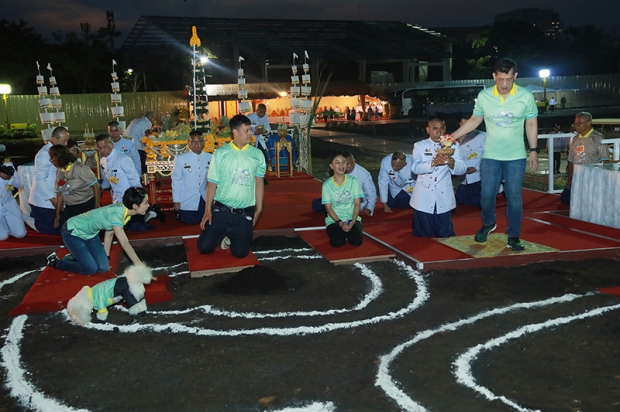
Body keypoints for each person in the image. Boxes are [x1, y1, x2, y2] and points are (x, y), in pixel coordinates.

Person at [450, 58, 539, 251]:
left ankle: (514, 235)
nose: (505, 84)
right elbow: (474, 120)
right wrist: (452, 137)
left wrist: (533, 150)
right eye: (500, 79)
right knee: (487, 195)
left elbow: (531, 123)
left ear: (515, 76)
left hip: (515, 155)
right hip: (491, 155)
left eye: (509, 79)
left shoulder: (525, 96)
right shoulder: (484, 96)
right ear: (494, 76)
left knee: (514, 195)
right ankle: (488, 223)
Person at [198, 114, 266, 258]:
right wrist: (208, 210)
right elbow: (212, 183)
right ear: (235, 132)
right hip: (222, 210)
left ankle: (230, 239)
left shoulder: (257, 154)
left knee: (240, 254)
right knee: (204, 247)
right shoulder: (220, 154)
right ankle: (224, 233)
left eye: (250, 130)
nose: (250, 134)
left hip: (244, 212)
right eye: (246, 130)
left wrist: (259, 208)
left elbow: (259, 182)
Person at [47, 187, 149, 275]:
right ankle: (56, 262)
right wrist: (141, 268)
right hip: (72, 232)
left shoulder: (125, 212)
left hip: (91, 235)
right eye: (146, 203)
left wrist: (106, 258)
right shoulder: (117, 215)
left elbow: (109, 234)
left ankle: (77, 255)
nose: (148, 206)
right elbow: (125, 244)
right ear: (135, 206)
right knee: (91, 269)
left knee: (102, 268)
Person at [410, 116, 466, 238]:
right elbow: (415, 168)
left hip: (443, 193)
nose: (439, 132)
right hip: (424, 195)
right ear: (428, 130)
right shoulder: (420, 146)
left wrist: (452, 164)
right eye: (435, 128)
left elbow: (462, 169)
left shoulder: (453, 146)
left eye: (441, 128)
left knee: (444, 234)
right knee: (424, 234)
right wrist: (433, 162)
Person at [561, 112, 609, 205]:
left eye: (579, 123)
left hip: (592, 178)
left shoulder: (597, 138)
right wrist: (570, 178)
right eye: (575, 123)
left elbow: (605, 161)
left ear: (589, 123)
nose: (576, 126)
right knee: (565, 200)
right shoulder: (574, 139)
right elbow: (571, 159)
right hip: (577, 177)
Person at [29, 126, 70, 235]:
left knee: (64, 227)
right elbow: (40, 180)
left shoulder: (59, 151)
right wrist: (54, 201)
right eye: (64, 141)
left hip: (57, 196)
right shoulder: (44, 154)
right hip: (45, 200)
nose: (66, 144)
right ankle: (28, 219)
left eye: (67, 141)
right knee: (52, 230)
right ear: (54, 140)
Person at [49, 144, 100, 230]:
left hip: (86, 205)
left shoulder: (80, 168)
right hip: (70, 207)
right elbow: (60, 192)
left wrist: (96, 207)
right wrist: (57, 214)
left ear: (59, 158)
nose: (52, 161)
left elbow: (95, 185)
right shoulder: (59, 171)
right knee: (66, 229)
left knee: (87, 231)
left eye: (52, 158)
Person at [322, 151, 364, 247]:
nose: (341, 165)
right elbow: (328, 207)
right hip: (335, 220)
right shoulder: (327, 185)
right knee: (337, 243)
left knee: (356, 241)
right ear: (332, 166)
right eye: (337, 162)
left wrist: (353, 221)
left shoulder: (353, 181)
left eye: (343, 162)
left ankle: (349, 231)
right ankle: (341, 232)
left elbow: (357, 203)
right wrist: (340, 223)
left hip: (351, 218)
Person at [171, 130, 212, 224]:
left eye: (199, 142)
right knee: (188, 223)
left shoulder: (209, 157)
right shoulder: (181, 159)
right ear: (189, 143)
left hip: (203, 198)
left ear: (203, 143)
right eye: (194, 142)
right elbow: (176, 180)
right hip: (187, 199)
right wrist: (176, 199)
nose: (196, 145)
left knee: (205, 223)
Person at [97, 134, 142, 205]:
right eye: (100, 148)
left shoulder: (123, 159)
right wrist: (101, 188)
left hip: (129, 199)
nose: (102, 150)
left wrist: (135, 200)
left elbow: (134, 180)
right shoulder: (103, 161)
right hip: (116, 199)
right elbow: (107, 178)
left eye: (105, 147)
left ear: (112, 145)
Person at [455, 114, 486, 207]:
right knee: (457, 203)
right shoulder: (456, 139)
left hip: (478, 179)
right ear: (460, 124)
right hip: (464, 180)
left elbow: (487, 157)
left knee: (480, 204)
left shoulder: (482, 136)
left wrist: (477, 168)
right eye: (463, 125)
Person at [0, 162, 26, 241]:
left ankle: (7, 225)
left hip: (9, 205)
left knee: (20, 234)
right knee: (3, 237)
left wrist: (9, 178)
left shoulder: (7, 165)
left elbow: (20, 184)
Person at [344, 152, 376, 216]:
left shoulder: (364, 174)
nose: (345, 167)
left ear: (354, 162)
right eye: (343, 164)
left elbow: (371, 194)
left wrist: (369, 208)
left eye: (348, 164)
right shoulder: (339, 170)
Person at [124, 110, 155, 174]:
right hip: (135, 143)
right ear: (151, 117)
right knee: (143, 158)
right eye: (153, 118)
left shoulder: (137, 120)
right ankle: (145, 175)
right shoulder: (147, 123)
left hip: (125, 142)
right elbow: (145, 137)